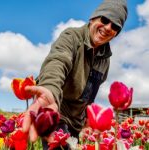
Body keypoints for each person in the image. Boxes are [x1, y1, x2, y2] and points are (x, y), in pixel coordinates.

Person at [23, 0, 128, 149]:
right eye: (105, 20)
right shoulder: (71, 37)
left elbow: (91, 92)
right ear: (93, 19)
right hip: (57, 114)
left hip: (77, 124)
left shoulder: (105, 60)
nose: (108, 27)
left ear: (116, 33)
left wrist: (87, 120)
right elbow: (57, 62)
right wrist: (49, 90)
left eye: (115, 26)